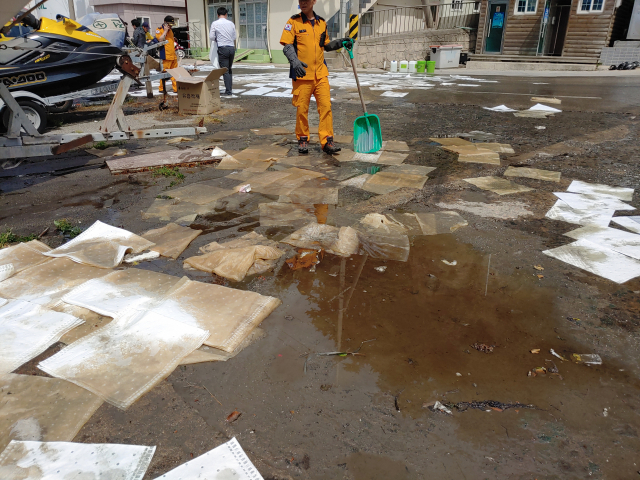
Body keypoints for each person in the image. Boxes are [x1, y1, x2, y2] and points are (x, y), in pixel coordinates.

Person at [280, 0, 352, 154]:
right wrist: (294, 61)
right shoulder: (293, 21)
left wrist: (341, 42)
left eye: (307, 0)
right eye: (301, 0)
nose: (303, 3)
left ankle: (327, 141)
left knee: (326, 107)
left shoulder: (321, 23)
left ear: (314, 1)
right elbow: (286, 45)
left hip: (320, 74)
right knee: (302, 110)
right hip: (302, 75)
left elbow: (325, 45)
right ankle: (303, 139)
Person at [209, 7, 237, 96]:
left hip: (222, 48)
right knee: (229, 69)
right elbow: (234, 37)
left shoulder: (215, 24)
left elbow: (211, 37)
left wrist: (218, 39)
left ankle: (228, 91)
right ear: (226, 15)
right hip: (231, 48)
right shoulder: (231, 23)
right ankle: (229, 89)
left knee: (225, 70)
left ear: (217, 15)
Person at [155, 15, 178, 93]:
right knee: (164, 72)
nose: (170, 27)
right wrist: (165, 31)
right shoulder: (159, 29)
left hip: (173, 55)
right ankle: (161, 88)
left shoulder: (170, 31)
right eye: (169, 25)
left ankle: (176, 88)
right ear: (165, 23)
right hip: (166, 55)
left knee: (175, 72)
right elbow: (160, 40)